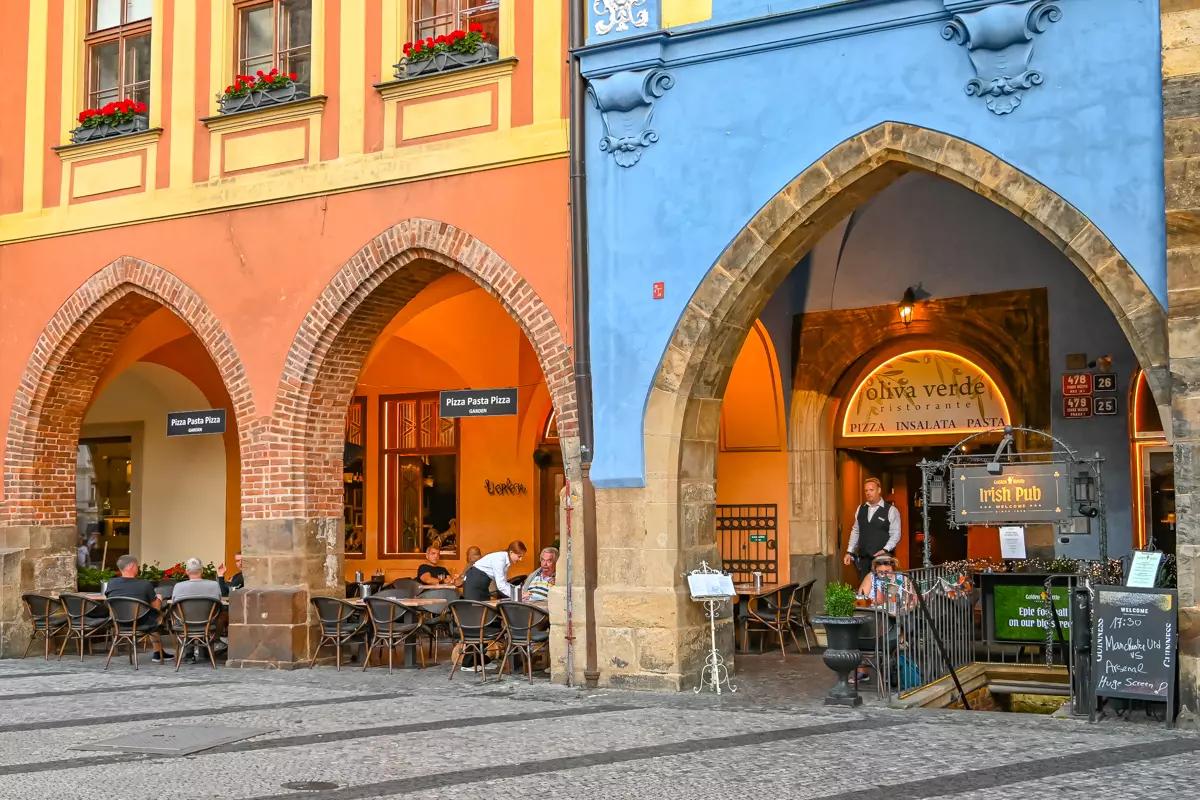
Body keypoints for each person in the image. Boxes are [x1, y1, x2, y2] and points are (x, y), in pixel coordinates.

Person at [105, 554, 172, 663]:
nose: (138, 568)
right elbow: (156, 608)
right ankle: (158, 654)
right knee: (154, 616)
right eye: (137, 566)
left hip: (119, 622)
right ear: (132, 567)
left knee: (148, 615)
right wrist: (159, 598)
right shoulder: (144, 584)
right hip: (142, 623)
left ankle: (158, 652)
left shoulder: (111, 583)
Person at [843, 477, 901, 583]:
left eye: (871, 490)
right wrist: (849, 551)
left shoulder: (891, 510)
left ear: (879, 490)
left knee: (883, 588)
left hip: (883, 559)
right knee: (865, 589)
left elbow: (896, 534)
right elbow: (856, 530)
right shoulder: (861, 509)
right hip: (864, 559)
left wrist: (885, 550)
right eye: (866, 490)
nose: (868, 493)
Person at [170, 558, 224, 664]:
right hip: (208, 624)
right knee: (210, 616)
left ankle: (189, 653)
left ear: (186, 572)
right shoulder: (214, 585)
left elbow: (174, 605)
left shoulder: (178, 586)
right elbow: (218, 603)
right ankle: (206, 652)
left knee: (183, 618)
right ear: (202, 570)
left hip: (185, 625)